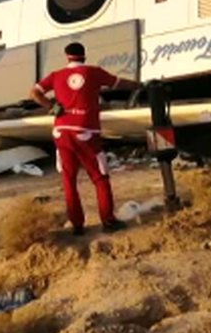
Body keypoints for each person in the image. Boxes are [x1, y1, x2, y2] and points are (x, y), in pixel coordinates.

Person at [30, 42, 139, 235]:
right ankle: (108, 221)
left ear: (67, 56)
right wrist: (140, 85)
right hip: (86, 132)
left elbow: (34, 92)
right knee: (100, 177)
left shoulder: (56, 75)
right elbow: (119, 83)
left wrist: (51, 107)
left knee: (68, 179)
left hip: (61, 131)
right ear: (84, 55)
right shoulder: (94, 72)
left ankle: (77, 226)